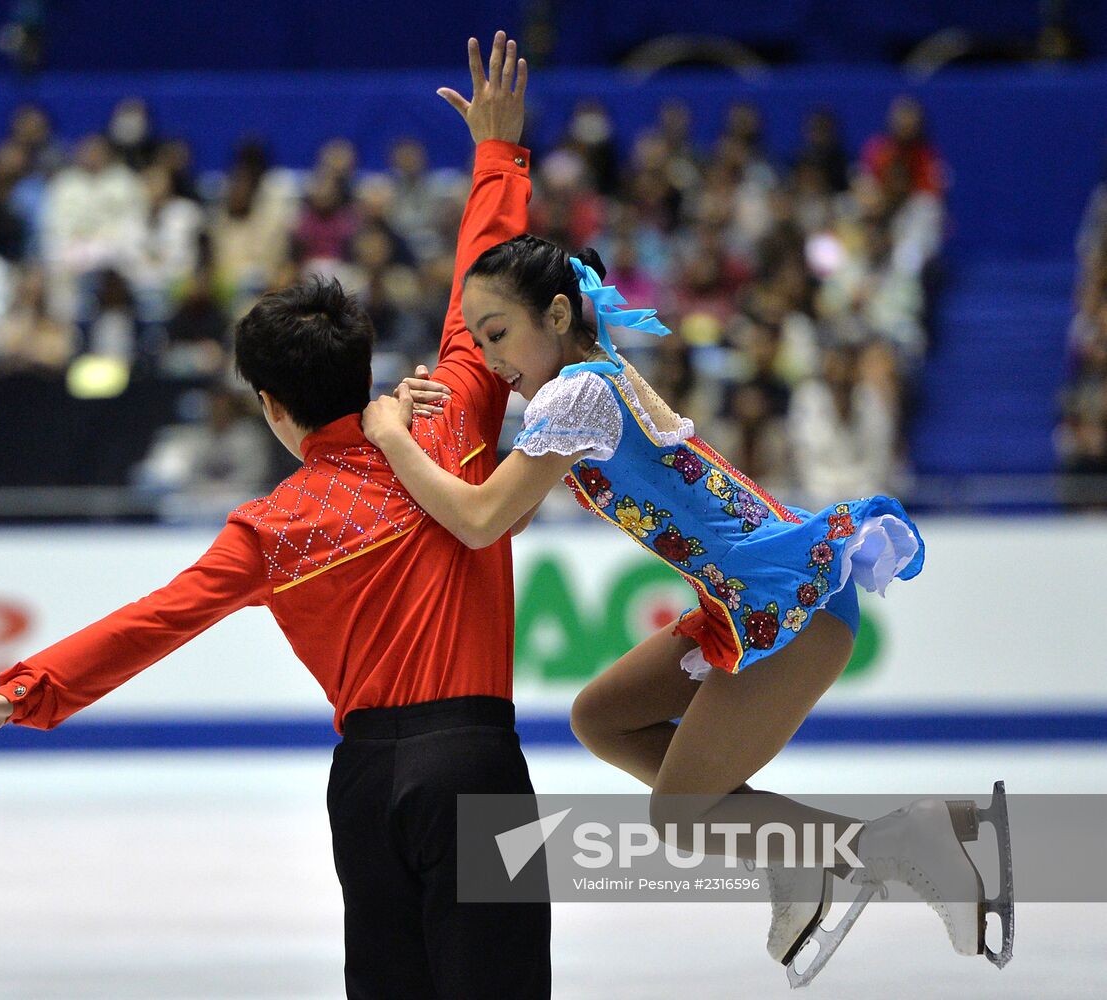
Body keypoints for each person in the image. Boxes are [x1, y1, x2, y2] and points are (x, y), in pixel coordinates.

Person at [0, 33, 550, 1000]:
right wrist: (498, 154)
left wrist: (24, 692)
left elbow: (153, 621)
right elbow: (482, 282)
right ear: (361, 370)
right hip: (476, 761)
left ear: (274, 409)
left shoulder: (271, 527)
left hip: (366, 787)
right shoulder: (451, 409)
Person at [362, 237, 1011, 982]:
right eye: (478, 341)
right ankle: (795, 861)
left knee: (678, 816)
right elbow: (500, 516)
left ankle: (905, 844)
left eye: (499, 333)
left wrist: (386, 434)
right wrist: (421, 432)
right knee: (602, 716)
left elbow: (480, 520)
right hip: (744, 600)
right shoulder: (585, 382)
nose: (489, 357)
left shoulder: (577, 396)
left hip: (787, 606)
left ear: (559, 312)